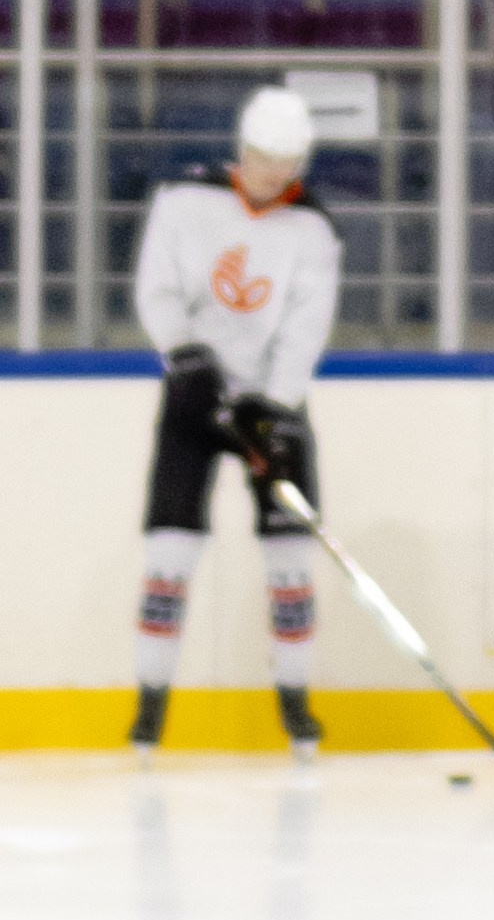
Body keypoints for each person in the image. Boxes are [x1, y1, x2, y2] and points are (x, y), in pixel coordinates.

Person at [129, 87, 340, 760]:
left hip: (269, 407)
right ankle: (150, 706)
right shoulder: (183, 201)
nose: (274, 174)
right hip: (194, 398)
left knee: (291, 559)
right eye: (264, 158)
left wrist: (273, 410)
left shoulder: (312, 228)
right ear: (242, 149)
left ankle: (296, 705)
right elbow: (155, 287)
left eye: (288, 162)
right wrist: (186, 357)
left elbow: (305, 330)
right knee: (169, 552)